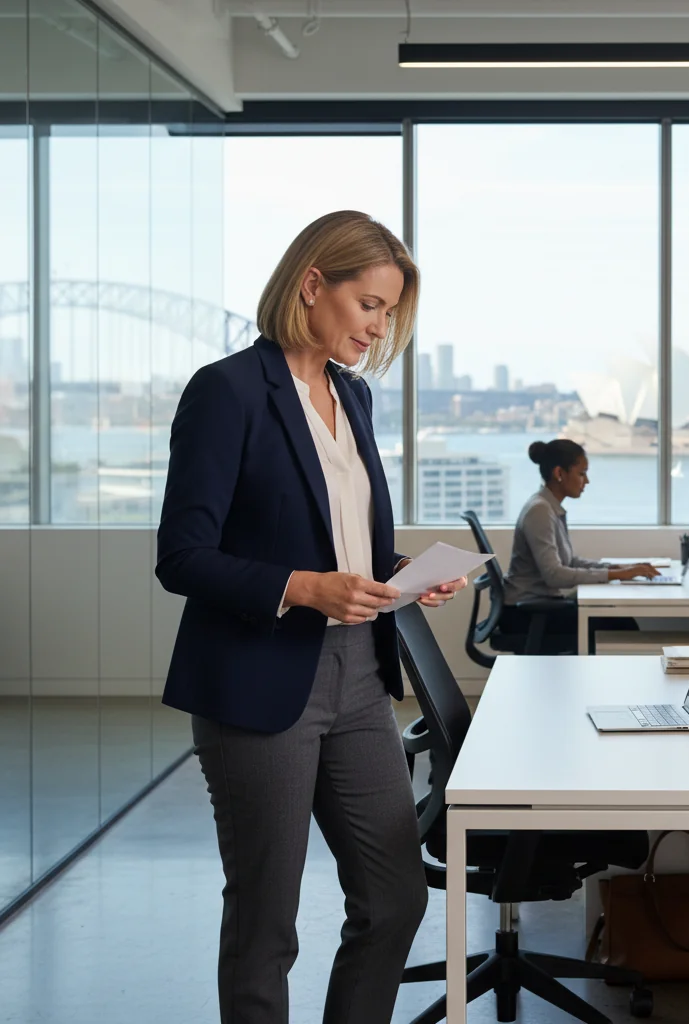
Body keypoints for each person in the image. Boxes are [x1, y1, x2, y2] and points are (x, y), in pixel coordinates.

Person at [155, 210, 467, 1024]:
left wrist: (398, 575)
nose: (379, 327)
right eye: (369, 304)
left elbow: (342, 541)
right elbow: (181, 556)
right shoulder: (227, 392)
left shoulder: (351, 396)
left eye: (390, 313)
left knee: (395, 896)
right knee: (266, 924)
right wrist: (303, 586)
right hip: (260, 684)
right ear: (311, 285)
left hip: (360, 677)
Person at [502, 438, 660, 653]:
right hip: (528, 615)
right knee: (619, 624)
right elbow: (555, 575)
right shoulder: (540, 511)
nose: (586, 481)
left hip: (541, 608)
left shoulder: (549, 507)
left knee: (619, 620)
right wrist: (617, 575)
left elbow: (570, 562)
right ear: (559, 473)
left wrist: (617, 568)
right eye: (581, 473)